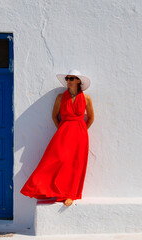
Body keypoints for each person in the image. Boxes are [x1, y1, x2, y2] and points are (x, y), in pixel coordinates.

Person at [20, 69, 95, 207]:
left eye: (71, 78)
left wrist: (82, 130)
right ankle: (42, 188)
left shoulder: (86, 98)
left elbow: (91, 117)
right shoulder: (61, 97)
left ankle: (69, 195)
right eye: (67, 78)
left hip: (80, 134)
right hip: (63, 132)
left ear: (78, 81)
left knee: (75, 164)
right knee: (56, 159)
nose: (68, 81)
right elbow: (54, 116)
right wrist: (62, 129)